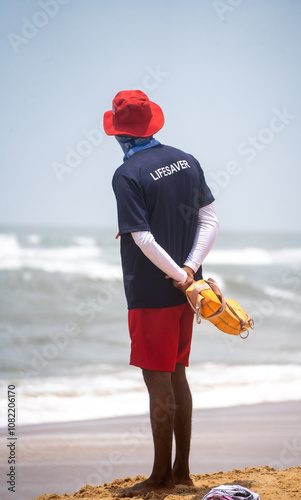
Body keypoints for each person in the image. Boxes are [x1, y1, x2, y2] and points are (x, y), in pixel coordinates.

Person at [103, 90, 219, 496]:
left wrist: (176, 275)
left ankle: (160, 478)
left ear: (120, 134)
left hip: (153, 293)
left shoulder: (127, 174)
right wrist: (189, 272)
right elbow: (210, 220)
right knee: (178, 375)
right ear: (152, 124)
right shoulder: (187, 160)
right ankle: (182, 471)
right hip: (189, 291)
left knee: (158, 381)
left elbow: (141, 238)